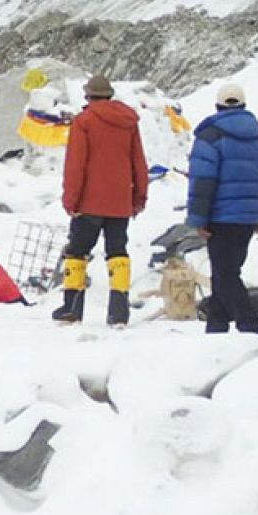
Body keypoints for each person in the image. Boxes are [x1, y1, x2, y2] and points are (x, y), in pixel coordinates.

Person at [185, 83, 258, 342]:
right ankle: (216, 328)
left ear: (217, 106)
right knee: (224, 271)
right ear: (243, 105)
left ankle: (252, 328)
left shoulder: (210, 138)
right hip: (249, 218)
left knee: (227, 274)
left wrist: (198, 217)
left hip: (220, 217)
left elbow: (202, 180)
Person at [53, 74, 149, 326]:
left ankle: (71, 308)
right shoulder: (128, 122)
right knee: (117, 252)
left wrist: (70, 200)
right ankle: (119, 312)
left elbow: (76, 165)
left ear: (88, 96)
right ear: (109, 94)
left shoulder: (84, 121)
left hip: (89, 202)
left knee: (77, 252)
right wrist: (139, 197)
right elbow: (138, 161)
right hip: (120, 201)